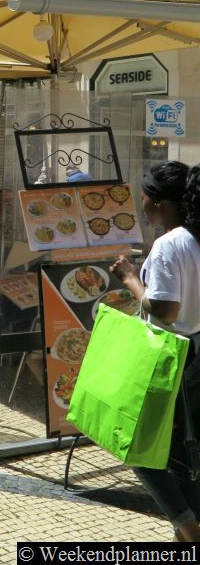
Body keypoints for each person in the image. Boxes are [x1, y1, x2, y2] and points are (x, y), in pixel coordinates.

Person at [110, 161, 200, 542]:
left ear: (160, 203)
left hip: (172, 358)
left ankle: (189, 528)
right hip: (196, 353)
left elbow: (165, 311)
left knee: (137, 446)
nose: (139, 202)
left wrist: (131, 279)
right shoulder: (193, 239)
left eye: (142, 195)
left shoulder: (170, 243)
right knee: (185, 454)